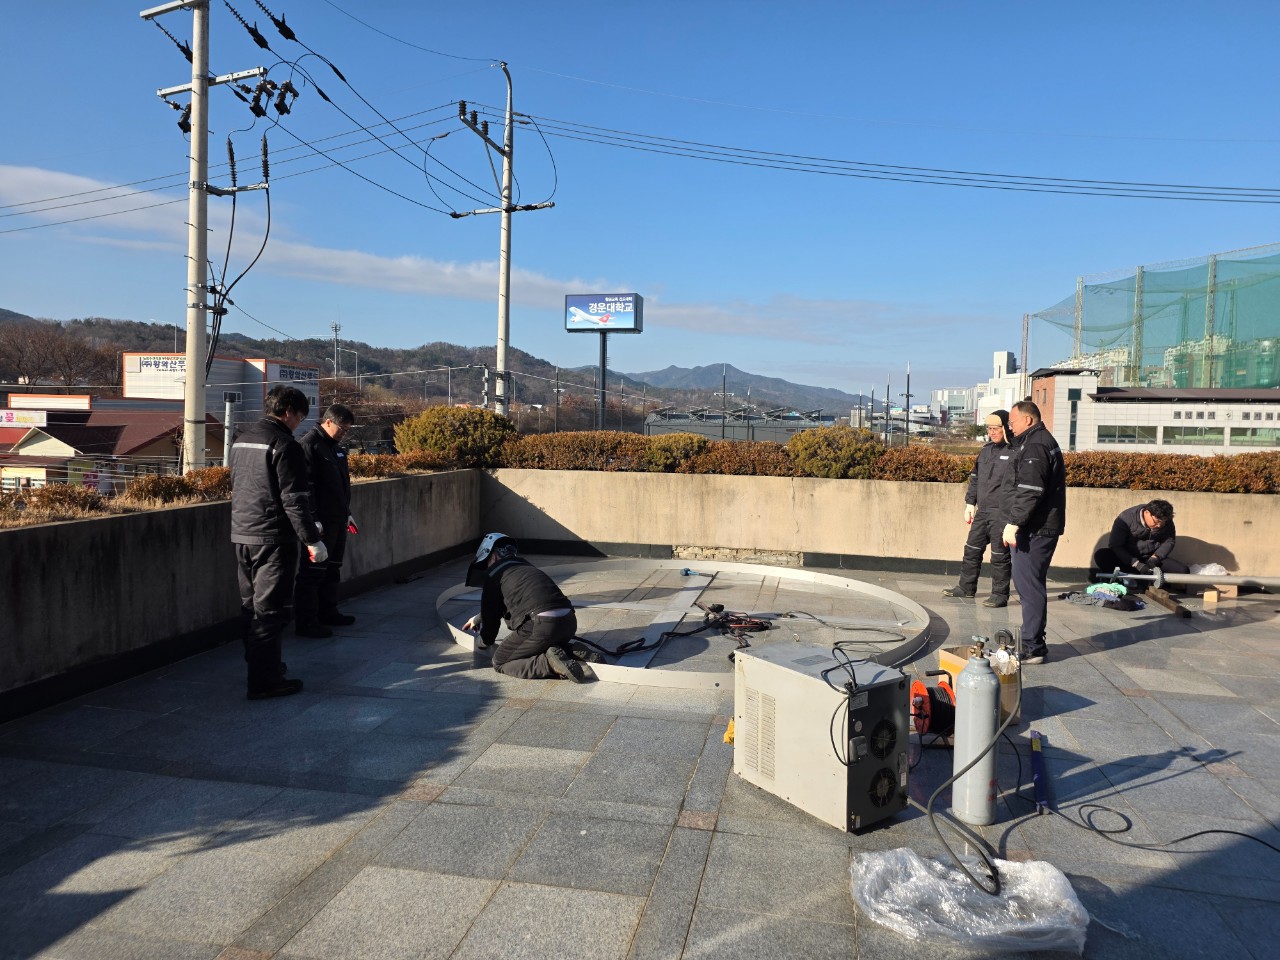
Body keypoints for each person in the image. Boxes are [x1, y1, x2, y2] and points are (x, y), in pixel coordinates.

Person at [230, 385, 327, 700]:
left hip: (242, 533)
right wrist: (312, 540)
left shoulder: (241, 439)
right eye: (300, 416)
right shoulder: (285, 445)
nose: (299, 423)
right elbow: (294, 500)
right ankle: (265, 682)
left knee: (250, 609)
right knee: (271, 612)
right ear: (288, 412)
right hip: (272, 538)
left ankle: (262, 666)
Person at [461, 533, 595, 682]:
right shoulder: (525, 567)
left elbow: (491, 623)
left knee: (501, 661)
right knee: (541, 644)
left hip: (541, 626)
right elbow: (517, 602)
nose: (487, 566)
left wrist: (482, 641)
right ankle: (572, 651)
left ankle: (548, 664)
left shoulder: (493, 574)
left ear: (493, 556)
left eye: (486, 561)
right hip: (569, 622)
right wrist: (477, 618)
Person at [1002, 400, 1066, 665]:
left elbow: (1030, 489)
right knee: (1029, 584)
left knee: (1029, 586)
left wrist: (1014, 523)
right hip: (1037, 525)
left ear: (1028, 420)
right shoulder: (1037, 441)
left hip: (1035, 528)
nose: (1010, 427)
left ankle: (1033, 646)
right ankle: (1032, 640)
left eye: (1012, 422)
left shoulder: (1036, 445)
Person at [295, 404, 358, 638]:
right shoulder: (309, 445)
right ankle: (307, 622)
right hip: (320, 523)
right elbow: (305, 487)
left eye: (347, 430)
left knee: (332, 569)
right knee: (313, 572)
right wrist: (313, 519)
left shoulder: (336, 450)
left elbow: (341, 486)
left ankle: (328, 612)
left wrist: (346, 513)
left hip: (337, 519)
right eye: (342, 428)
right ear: (328, 422)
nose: (344, 434)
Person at [942, 410, 1014, 607]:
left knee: (999, 556)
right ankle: (966, 588)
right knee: (972, 549)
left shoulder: (1015, 452)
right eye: (989, 429)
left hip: (1001, 513)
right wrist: (970, 503)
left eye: (996, 428)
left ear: (1006, 428)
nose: (992, 432)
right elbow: (975, 478)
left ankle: (999, 595)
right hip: (983, 511)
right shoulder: (986, 450)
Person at [1092, 500, 1189, 584]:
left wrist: (1155, 557)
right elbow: (1115, 545)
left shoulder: (1167, 521)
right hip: (1127, 559)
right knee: (1101, 555)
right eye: (1156, 521)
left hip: (1150, 559)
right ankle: (1121, 581)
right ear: (1147, 513)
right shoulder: (1126, 518)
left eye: (1162, 522)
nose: (1159, 525)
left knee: (1183, 571)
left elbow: (1169, 541)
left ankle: (1152, 583)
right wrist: (1135, 563)